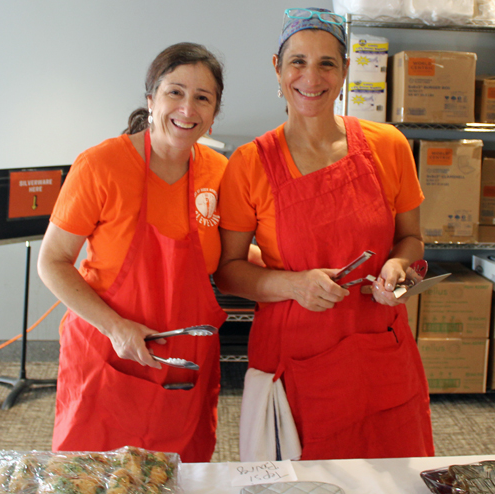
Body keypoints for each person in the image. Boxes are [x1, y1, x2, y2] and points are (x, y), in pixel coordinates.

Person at [213, 8, 435, 460]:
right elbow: (229, 272)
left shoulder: (388, 146)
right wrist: (294, 284)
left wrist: (399, 268)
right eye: (297, 61)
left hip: (381, 357)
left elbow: (410, 239)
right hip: (297, 365)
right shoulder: (250, 164)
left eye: (326, 63)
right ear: (276, 67)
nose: (310, 77)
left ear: (345, 71)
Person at [37, 42, 229, 462]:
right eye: (175, 92)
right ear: (150, 99)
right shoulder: (101, 166)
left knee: (177, 479)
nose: (188, 108)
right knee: (91, 479)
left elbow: (225, 261)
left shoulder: (220, 173)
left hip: (182, 364)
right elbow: (51, 262)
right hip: (106, 360)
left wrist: (295, 273)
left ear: (215, 112)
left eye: (203, 98)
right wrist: (116, 326)